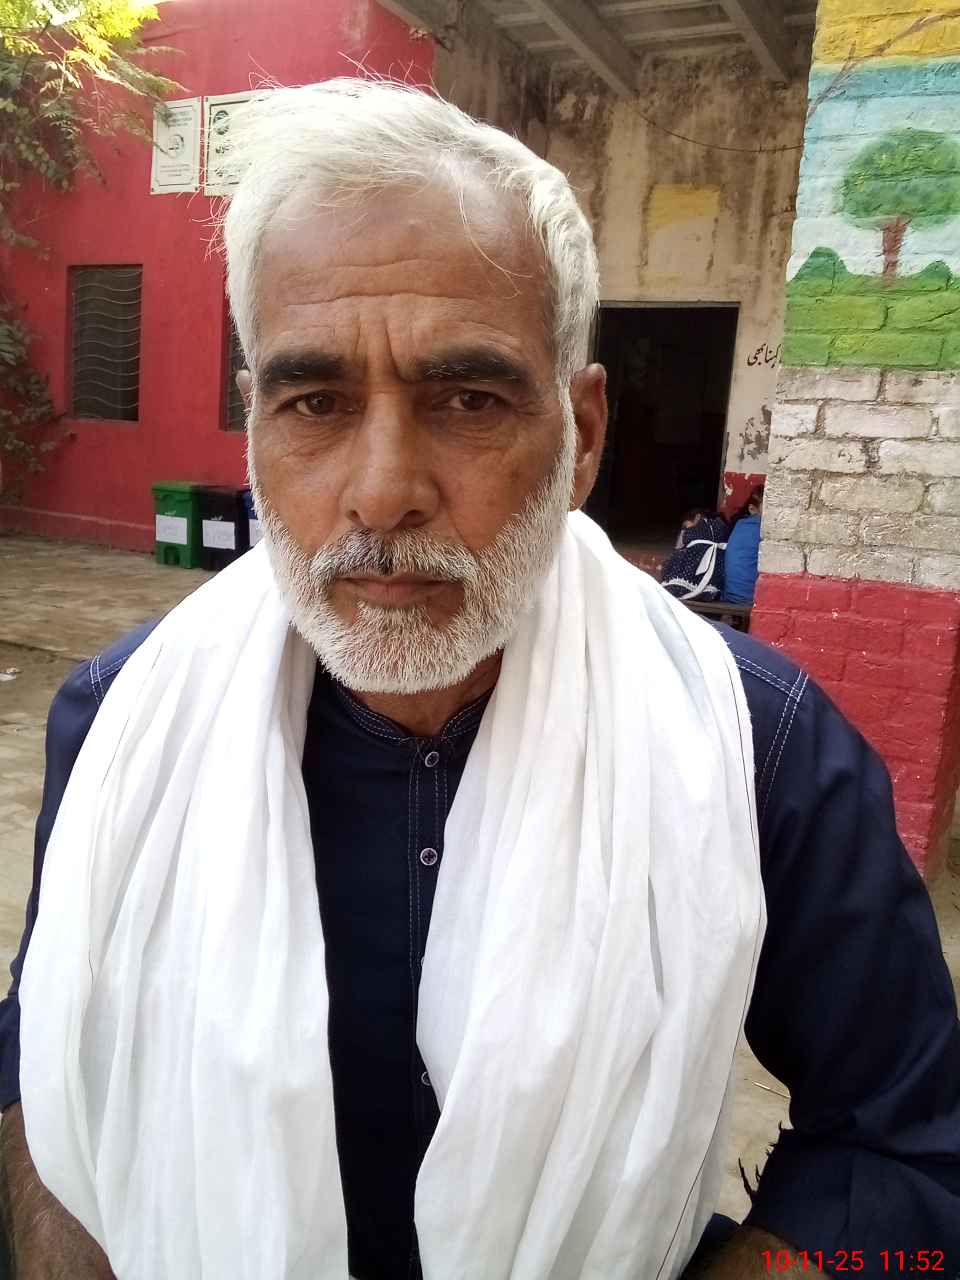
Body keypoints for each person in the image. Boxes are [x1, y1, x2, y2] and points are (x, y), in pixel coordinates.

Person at [1, 81, 958, 1280]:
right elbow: (42, 1059)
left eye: (468, 399)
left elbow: (910, 1155)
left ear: (582, 435)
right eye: (315, 401)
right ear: (255, 427)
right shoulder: (123, 719)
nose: (382, 490)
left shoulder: (758, 747)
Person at [660, 508, 729, 601]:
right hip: (717, 565)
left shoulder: (698, 527)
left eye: (687, 525)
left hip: (699, 560)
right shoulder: (721, 524)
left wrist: (684, 531)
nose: (686, 527)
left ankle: (682, 587)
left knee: (677, 557)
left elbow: (679, 546)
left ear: (697, 517)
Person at [723, 485, 764, 605]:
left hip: (730, 595)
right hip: (749, 598)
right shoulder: (763, 527)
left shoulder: (740, 524)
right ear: (752, 509)